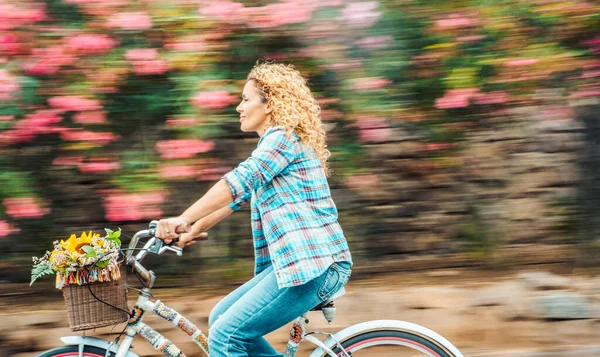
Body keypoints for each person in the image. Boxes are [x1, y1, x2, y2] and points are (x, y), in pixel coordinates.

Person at [156, 61, 352, 357]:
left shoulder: (282, 139)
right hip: (302, 265)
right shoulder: (276, 145)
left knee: (226, 335)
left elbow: (239, 181)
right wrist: (193, 228)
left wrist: (182, 217)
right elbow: (237, 197)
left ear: (270, 104)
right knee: (220, 320)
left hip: (314, 266)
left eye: (245, 99)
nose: (238, 107)